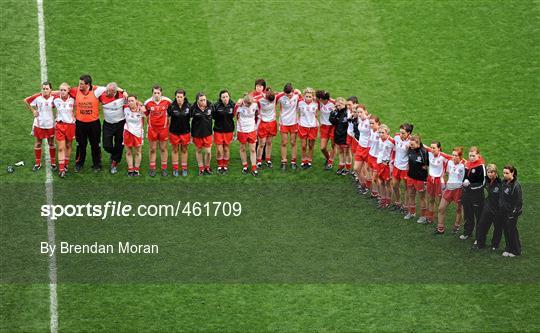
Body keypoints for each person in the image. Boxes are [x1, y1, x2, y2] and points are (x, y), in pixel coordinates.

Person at [68, 74, 111, 172]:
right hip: (80, 124)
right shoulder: (75, 90)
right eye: (79, 83)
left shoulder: (96, 90)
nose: (79, 85)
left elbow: (111, 88)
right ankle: (79, 163)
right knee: (80, 144)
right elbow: (63, 91)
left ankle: (97, 164)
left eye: (81, 84)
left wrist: (124, 92)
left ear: (88, 84)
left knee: (95, 145)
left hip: (94, 124)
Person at [24, 82, 57, 171]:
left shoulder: (54, 97)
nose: (45, 90)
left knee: (51, 143)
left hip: (50, 124)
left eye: (47, 89)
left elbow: (63, 93)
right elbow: (26, 100)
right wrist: (33, 111)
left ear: (51, 90)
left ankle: (53, 163)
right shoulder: (37, 97)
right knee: (38, 143)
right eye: (43, 88)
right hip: (39, 124)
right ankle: (37, 163)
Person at [434, 147, 465, 234]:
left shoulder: (463, 166)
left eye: (456, 155)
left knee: (459, 209)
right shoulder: (450, 163)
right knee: (441, 208)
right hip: (449, 189)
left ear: (460, 157)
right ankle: (440, 228)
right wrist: (443, 184)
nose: (453, 157)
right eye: (453, 155)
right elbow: (445, 173)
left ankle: (456, 226)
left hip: (458, 190)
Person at [473, 164, 503, 250]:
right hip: (488, 207)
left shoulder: (500, 184)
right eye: (488, 172)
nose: (490, 174)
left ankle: (495, 245)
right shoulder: (486, 180)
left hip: (497, 209)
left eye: (492, 172)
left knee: (497, 227)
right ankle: (480, 244)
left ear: (496, 172)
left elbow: (502, 198)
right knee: (482, 225)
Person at [144, 85, 172, 177]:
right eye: (155, 93)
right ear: (152, 93)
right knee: (152, 149)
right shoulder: (148, 103)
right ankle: (152, 168)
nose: (156, 95)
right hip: (152, 130)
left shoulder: (167, 101)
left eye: (158, 93)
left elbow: (171, 112)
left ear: (161, 93)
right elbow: (146, 114)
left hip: (163, 129)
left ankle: (164, 168)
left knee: (163, 148)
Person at [99, 82, 126, 174]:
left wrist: (124, 91)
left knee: (119, 145)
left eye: (109, 92)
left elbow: (132, 102)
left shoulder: (122, 96)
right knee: (106, 146)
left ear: (114, 92)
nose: (106, 93)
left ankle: (115, 163)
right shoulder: (101, 95)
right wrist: (122, 89)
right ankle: (114, 154)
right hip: (108, 124)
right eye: (106, 90)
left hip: (120, 124)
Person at [460, 146, 486, 240]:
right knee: (468, 215)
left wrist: (470, 186)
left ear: (478, 155)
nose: (471, 158)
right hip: (467, 195)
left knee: (479, 217)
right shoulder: (467, 164)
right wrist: (464, 183)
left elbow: (483, 182)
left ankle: (479, 238)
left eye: (473, 156)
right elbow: (464, 177)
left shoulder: (481, 165)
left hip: (477, 196)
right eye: (470, 156)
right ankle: (467, 232)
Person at [275, 83, 301, 171]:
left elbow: (306, 100)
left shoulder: (297, 95)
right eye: (287, 94)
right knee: (284, 142)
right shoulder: (280, 96)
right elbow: (270, 102)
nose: (288, 96)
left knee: (293, 142)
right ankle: (284, 162)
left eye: (290, 95)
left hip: (294, 122)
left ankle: (293, 162)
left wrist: (300, 93)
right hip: (284, 123)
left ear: (293, 92)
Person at [52, 83, 75, 178]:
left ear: (68, 90)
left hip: (70, 126)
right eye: (61, 90)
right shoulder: (56, 99)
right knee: (61, 148)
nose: (62, 92)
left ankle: (66, 164)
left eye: (64, 90)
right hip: (59, 126)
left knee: (68, 145)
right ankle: (61, 169)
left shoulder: (73, 100)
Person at [405, 135, 429, 222]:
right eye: (410, 144)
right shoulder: (410, 149)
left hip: (420, 179)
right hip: (410, 176)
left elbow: (426, 166)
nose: (411, 146)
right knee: (411, 194)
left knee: (422, 197)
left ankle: (423, 216)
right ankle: (412, 212)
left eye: (412, 144)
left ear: (418, 143)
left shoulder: (423, 152)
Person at [500, 165, 523, 257]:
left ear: (512, 173)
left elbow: (519, 202)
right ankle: (508, 248)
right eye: (504, 173)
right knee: (506, 230)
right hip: (503, 211)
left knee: (512, 230)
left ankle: (516, 250)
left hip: (512, 213)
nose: (504, 175)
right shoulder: (504, 182)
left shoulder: (516, 186)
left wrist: (513, 213)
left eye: (507, 173)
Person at [167, 89, 191, 177]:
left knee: (184, 150)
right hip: (174, 132)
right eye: (177, 97)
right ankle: (175, 168)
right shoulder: (171, 106)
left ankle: (184, 168)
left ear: (184, 97)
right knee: (175, 150)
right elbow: (168, 118)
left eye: (181, 97)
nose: (179, 99)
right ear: (175, 97)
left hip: (185, 132)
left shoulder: (189, 106)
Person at [390, 123, 413, 212]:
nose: (401, 135)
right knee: (395, 185)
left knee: (407, 188)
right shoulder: (396, 137)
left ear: (408, 133)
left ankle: (406, 205)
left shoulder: (411, 141)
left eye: (403, 133)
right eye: (400, 132)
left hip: (406, 168)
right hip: (396, 166)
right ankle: (398, 202)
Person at [424, 141, 447, 224]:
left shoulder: (443, 156)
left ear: (439, 148)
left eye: (434, 148)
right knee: (431, 199)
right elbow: (421, 144)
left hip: (439, 181)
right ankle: (430, 217)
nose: (432, 149)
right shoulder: (429, 152)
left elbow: (456, 158)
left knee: (439, 201)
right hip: (430, 179)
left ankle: (439, 218)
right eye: (431, 147)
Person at [235, 94, 259, 176]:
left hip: (252, 130)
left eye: (250, 104)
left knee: (252, 149)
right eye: (247, 104)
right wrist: (237, 104)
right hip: (242, 131)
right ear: (244, 102)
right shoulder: (239, 106)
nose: (248, 106)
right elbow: (234, 115)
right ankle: (245, 166)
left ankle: (254, 167)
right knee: (242, 148)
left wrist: (256, 126)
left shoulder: (255, 105)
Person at [213, 89, 235, 174]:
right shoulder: (216, 106)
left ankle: (225, 165)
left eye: (227, 97)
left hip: (229, 130)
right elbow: (214, 117)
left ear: (229, 97)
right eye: (223, 97)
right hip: (218, 130)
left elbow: (234, 115)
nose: (225, 98)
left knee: (226, 148)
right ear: (220, 98)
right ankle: (219, 165)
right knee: (219, 149)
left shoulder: (233, 105)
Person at [191, 92, 214, 175]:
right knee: (199, 150)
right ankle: (201, 168)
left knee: (208, 151)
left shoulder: (210, 106)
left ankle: (207, 166)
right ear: (197, 101)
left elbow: (215, 116)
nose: (204, 102)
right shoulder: (193, 108)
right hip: (197, 134)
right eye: (201, 100)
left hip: (208, 133)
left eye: (204, 100)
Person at [123, 95, 145, 177]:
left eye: (132, 101)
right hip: (127, 133)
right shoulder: (125, 108)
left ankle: (136, 170)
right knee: (128, 152)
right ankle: (130, 169)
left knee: (138, 152)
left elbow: (148, 114)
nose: (130, 102)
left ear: (136, 101)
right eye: (129, 101)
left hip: (138, 134)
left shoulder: (141, 110)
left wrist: (141, 105)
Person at [297, 87, 318, 169]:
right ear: (304, 96)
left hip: (313, 126)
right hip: (302, 126)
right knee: (303, 145)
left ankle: (309, 160)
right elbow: (295, 93)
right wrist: (298, 92)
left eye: (310, 96)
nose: (308, 98)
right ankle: (303, 159)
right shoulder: (300, 102)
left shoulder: (316, 103)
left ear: (313, 97)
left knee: (311, 145)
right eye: (307, 96)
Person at [256, 88, 277, 168]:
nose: (271, 102)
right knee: (262, 143)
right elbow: (249, 99)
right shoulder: (260, 99)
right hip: (263, 123)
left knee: (269, 142)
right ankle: (259, 161)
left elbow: (285, 93)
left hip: (272, 123)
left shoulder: (275, 96)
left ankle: (268, 159)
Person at [376, 124, 395, 208]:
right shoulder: (379, 139)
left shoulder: (392, 141)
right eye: (379, 132)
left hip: (387, 165)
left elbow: (395, 153)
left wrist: (390, 162)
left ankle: (388, 200)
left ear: (387, 133)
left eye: (382, 132)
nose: (381, 134)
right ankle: (383, 199)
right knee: (380, 181)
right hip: (379, 163)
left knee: (388, 183)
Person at [354, 105, 371, 194]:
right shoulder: (360, 119)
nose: (359, 114)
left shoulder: (369, 122)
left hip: (368, 148)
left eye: (361, 112)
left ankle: (368, 187)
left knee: (368, 169)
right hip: (360, 147)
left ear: (365, 111)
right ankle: (363, 185)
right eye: (358, 112)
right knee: (356, 168)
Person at [316, 90, 336, 170]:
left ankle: (330, 162)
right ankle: (328, 158)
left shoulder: (333, 103)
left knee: (333, 145)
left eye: (318, 98)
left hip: (333, 127)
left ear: (321, 99)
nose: (316, 99)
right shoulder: (318, 102)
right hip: (324, 127)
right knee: (322, 147)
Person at [329, 97, 348, 174]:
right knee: (340, 151)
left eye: (340, 105)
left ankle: (347, 168)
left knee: (346, 152)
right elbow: (332, 122)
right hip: (338, 134)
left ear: (344, 104)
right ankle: (341, 166)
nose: (338, 107)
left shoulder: (347, 113)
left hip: (345, 136)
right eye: (337, 105)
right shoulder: (336, 112)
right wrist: (333, 113)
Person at [367, 115, 381, 196]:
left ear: (378, 123)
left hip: (377, 158)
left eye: (373, 123)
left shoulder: (380, 132)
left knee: (375, 178)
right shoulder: (372, 130)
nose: (371, 125)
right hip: (371, 155)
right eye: (370, 123)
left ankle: (382, 194)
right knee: (373, 175)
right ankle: (376, 192)